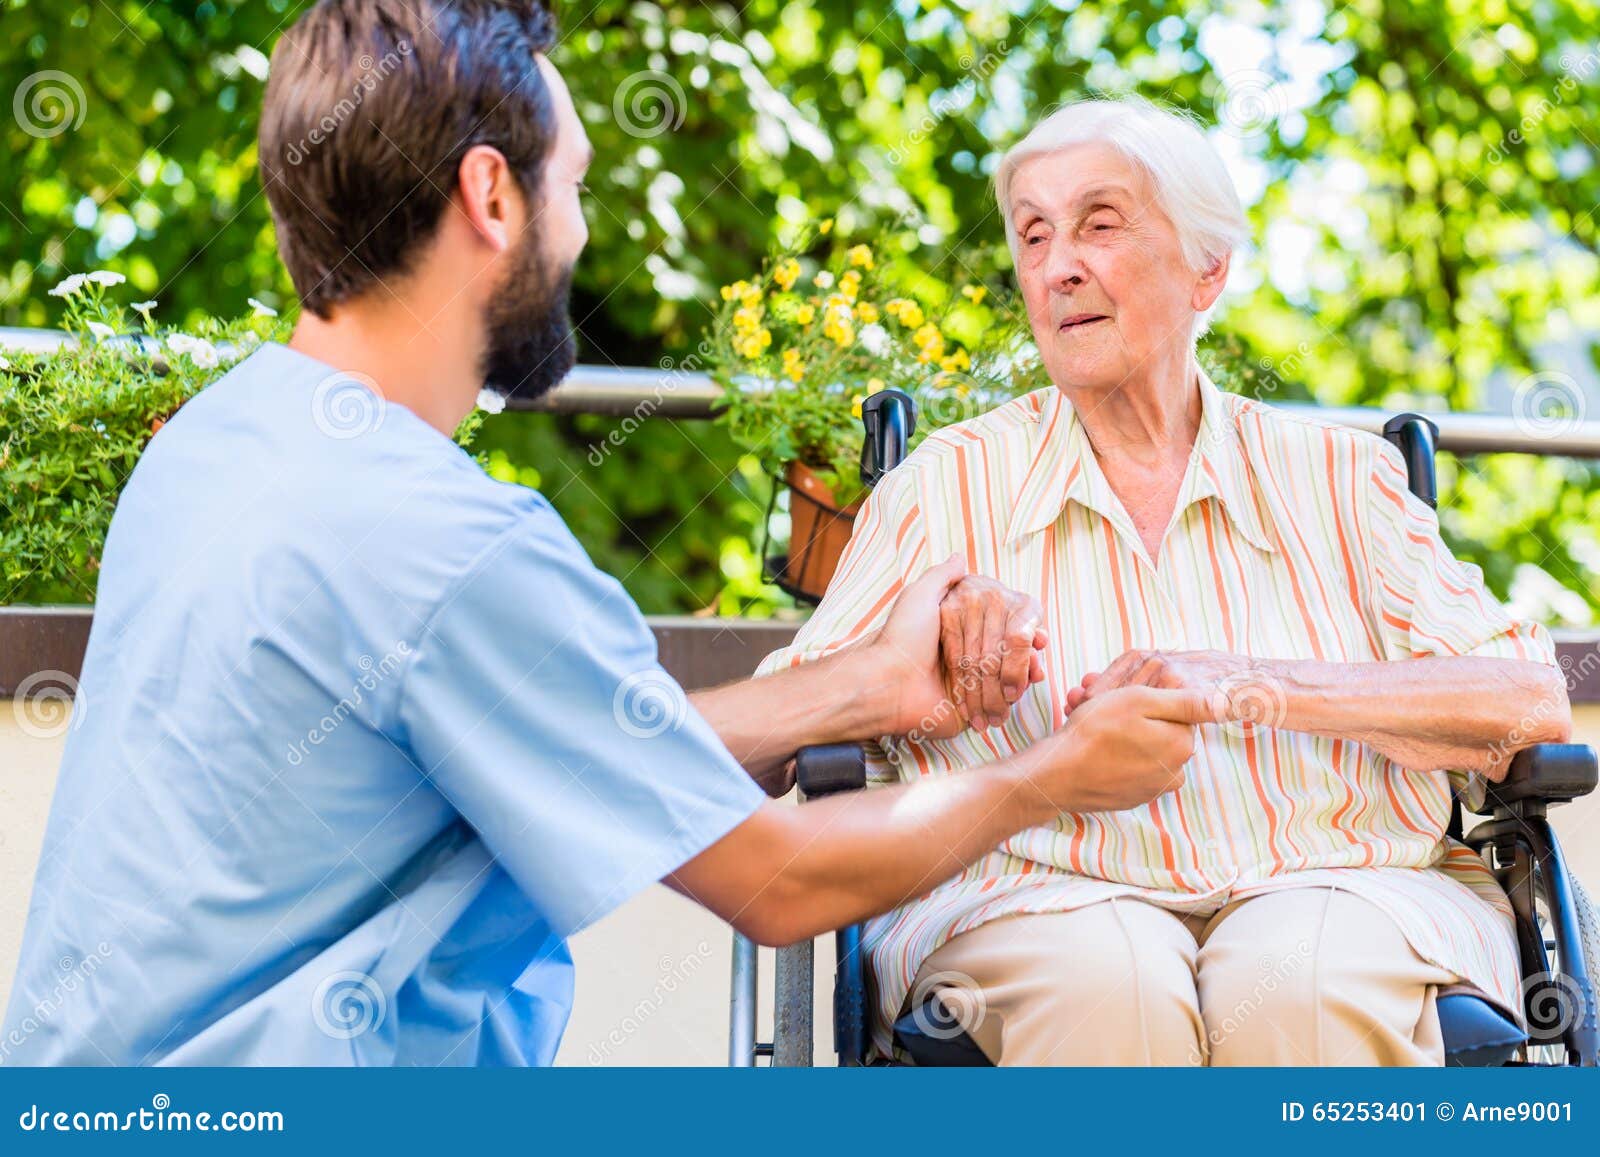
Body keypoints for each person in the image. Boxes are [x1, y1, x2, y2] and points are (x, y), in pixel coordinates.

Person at [0, 3, 1218, 1067]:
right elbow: (779, 879)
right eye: (571, 187)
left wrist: (858, 687)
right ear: (491, 195)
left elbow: (563, 737)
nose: (577, 235)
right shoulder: (454, 545)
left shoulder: (219, 442)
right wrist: (1045, 777)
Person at [757, 96, 1572, 1066]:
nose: (1059, 264)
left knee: (1293, 977)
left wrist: (1243, 685)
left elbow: (1526, 701)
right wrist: (910, 663)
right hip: (1034, 897)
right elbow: (768, 746)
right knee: (1111, 984)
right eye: (1033, 234)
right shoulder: (946, 484)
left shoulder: (1339, 478)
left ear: (1208, 268)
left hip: (1348, 884)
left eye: (1099, 224)